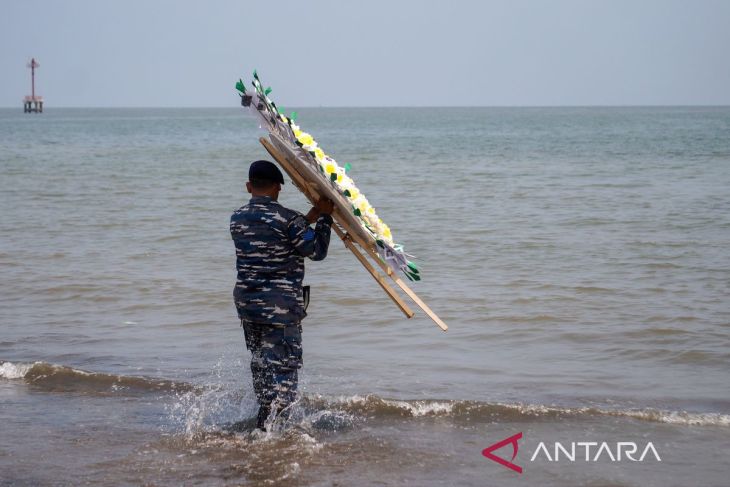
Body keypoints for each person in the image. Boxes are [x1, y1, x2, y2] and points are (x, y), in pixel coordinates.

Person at [230, 159, 334, 430]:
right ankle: (274, 439)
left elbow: (277, 232)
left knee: (262, 369)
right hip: (280, 309)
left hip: (249, 308)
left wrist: (310, 216)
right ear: (278, 188)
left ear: (248, 187)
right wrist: (325, 217)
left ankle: (262, 426)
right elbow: (316, 251)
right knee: (284, 377)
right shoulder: (288, 220)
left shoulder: (237, 218)